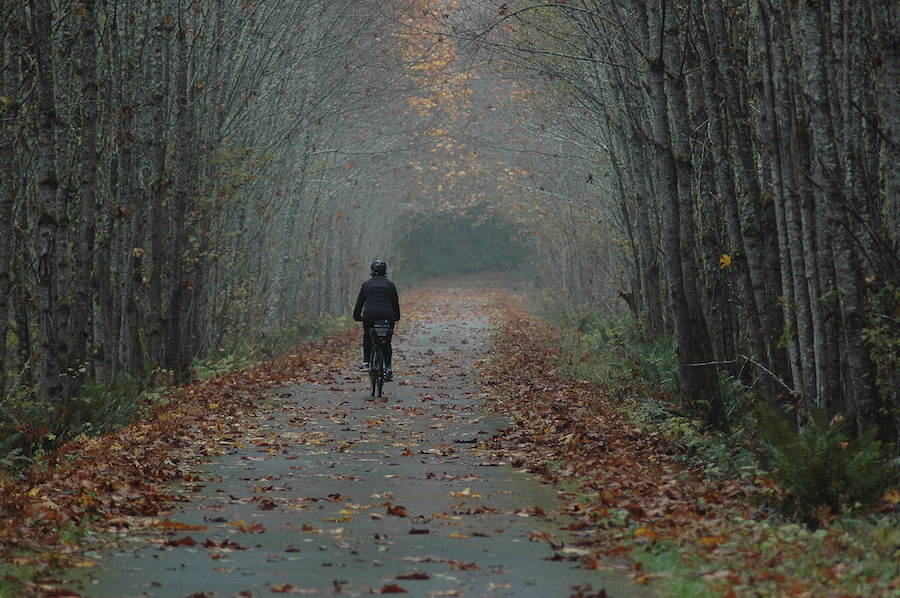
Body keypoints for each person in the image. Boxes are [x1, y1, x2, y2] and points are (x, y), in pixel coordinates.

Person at [352, 260, 400, 380]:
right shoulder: (390, 285)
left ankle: (367, 362)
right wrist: (396, 316)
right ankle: (388, 368)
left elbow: (360, 303)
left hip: (370, 316)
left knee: (368, 336)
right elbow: (395, 304)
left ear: (372, 271)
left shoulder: (367, 285)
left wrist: (357, 316)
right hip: (387, 316)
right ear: (385, 271)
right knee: (386, 342)